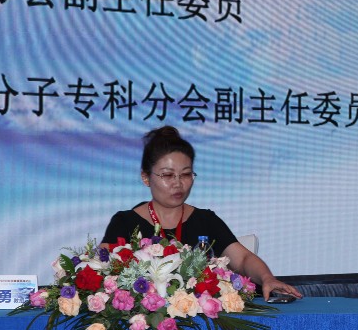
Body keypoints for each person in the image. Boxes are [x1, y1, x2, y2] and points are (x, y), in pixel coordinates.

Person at [100, 126, 301, 298]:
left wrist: (267, 278)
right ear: (146, 178)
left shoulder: (206, 220)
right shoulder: (125, 222)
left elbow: (242, 259)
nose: (178, 183)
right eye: (168, 175)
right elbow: (102, 269)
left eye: (186, 174)